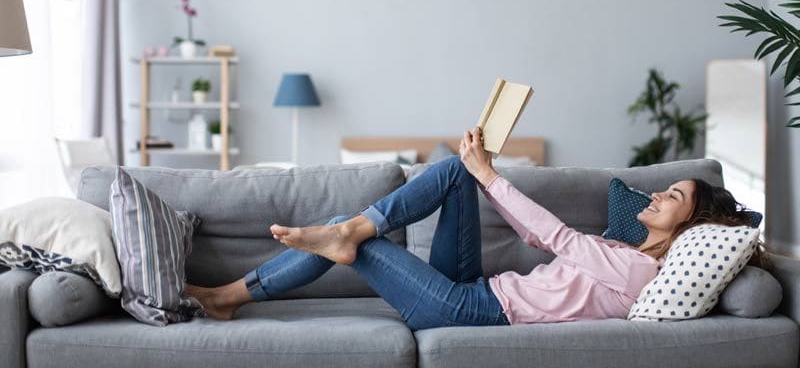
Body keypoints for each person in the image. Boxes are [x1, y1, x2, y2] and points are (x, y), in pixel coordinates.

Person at [185, 127, 767, 329]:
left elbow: (558, 238)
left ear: (688, 224)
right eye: (668, 186)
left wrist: (493, 172)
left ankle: (227, 297)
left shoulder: (640, 269)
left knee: (344, 230)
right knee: (451, 174)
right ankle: (354, 230)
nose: (658, 195)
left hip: (469, 310)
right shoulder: (623, 250)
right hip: (472, 289)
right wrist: (481, 176)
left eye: (672, 196)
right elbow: (542, 239)